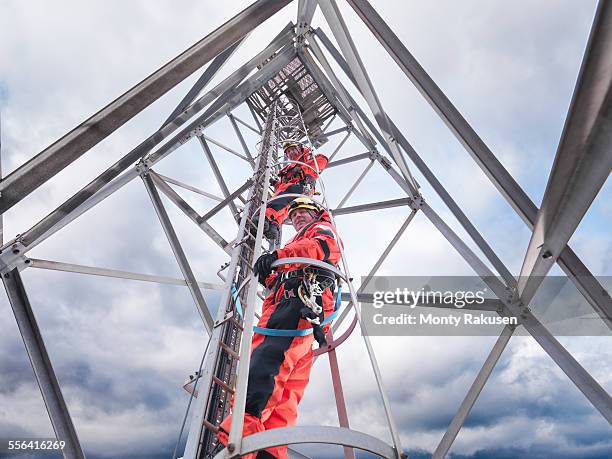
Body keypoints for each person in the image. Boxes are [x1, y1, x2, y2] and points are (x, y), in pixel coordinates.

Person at [217, 197, 343, 459]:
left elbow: (321, 247)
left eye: (303, 211)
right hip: (302, 314)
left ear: (317, 213)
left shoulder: (319, 230)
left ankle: (239, 443)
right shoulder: (298, 241)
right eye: (293, 214)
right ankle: (269, 451)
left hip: (293, 307)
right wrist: (272, 273)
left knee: (262, 371)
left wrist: (277, 256)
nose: (296, 216)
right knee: (285, 393)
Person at [260, 140, 329, 241]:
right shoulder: (287, 169)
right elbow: (282, 186)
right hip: (293, 189)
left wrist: (303, 169)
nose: (290, 153)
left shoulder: (307, 157)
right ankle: (273, 226)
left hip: (302, 186)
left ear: (298, 149)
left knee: (282, 198)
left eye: (292, 149)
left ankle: (263, 216)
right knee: (285, 206)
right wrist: (276, 184)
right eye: (288, 152)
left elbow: (322, 160)